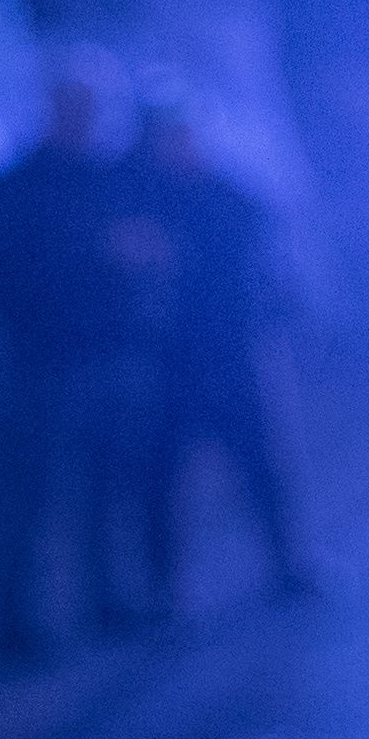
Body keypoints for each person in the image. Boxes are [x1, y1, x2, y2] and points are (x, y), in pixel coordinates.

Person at [0, 62, 167, 656]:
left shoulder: (107, 181)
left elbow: (141, 249)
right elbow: (11, 272)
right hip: (46, 360)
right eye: (74, 106)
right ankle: (15, 622)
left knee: (105, 483)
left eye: (91, 108)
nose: (84, 118)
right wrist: (101, 254)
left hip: (112, 351)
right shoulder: (17, 188)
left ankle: (105, 598)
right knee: (32, 491)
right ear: (53, 110)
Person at [129, 99, 312, 609]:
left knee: (262, 463)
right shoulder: (147, 200)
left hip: (232, 354)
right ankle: (166, 589)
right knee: (164, 477)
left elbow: (254, 249)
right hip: (174, 361)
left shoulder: (225, 196)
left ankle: (287, 562)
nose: (178, 148)